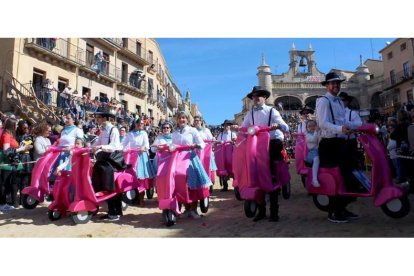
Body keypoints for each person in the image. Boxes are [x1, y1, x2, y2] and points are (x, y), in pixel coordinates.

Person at [235, 86, 289, 222]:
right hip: (257, 145)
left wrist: (278, 125)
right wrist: (237, 129)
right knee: (255, 175)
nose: (256, 98)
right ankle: (261, 211)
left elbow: (285, 126)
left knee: (271, 175)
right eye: (254, 96)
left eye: (258, 95)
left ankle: (274, 211)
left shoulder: (272, 111)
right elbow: (244, 128)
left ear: (264, 97)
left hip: (271, 143)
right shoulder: (250, 113)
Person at [316, 72, 358, 223]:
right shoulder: (323, 101)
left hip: (340, 142)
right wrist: (341, 129)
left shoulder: (339, 102)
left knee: (345, 175)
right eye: (332, 83)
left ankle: (342, 208)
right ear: (327, 86)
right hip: (328, 144)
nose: (335, 86)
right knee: (333, 179)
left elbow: (343, 121)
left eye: (337, 83)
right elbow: (322, 123)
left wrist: (359, 126)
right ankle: (333, 212)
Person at [172, 111, 212, 219]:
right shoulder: (175, 133)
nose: (182, 120)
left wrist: (196, 145)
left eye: (184, 118)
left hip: (190, 158)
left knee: (193, 184)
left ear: (187, 119)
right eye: (180, 118)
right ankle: (186, 208)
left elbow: (202, 143)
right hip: (178, 160)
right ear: (177, 120)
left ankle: (194, 209)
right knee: (181, 183)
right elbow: (172, 145)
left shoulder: (192, 130)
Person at [92, 110, 125, 221]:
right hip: (105, 158)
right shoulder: (103, 131)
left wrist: (101, 147)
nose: (97, 120)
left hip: (112, 160)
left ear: (105, 118)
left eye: (99, 118)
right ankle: (110, 210)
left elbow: (114, 146)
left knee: (109, 181)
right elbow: (97, 143)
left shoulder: (113, 130)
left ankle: (116, 212)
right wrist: (89, 147)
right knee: (96, 170)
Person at [0, 118, 33, 211]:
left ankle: (4, 203)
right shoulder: (6, 135)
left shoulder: (10, 135)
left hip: (11, 162)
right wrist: (20, 149)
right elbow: (6, 151)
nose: (17, 126)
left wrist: (20, 146)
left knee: (9, 183)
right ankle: (2, 204)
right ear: (12, 125)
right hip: (6, 162)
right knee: (4, 183)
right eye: (16, 124)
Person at [122, 118, 156, 206]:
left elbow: (147, 145)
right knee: (133, 178)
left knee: (141, 178)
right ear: (135, 124)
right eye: (139, 123)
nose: (141, 124)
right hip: (132, 157)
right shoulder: (130, 134)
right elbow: (123, 144)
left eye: (142, 123)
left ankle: (141, 199)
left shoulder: (144, 133)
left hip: (141, 157)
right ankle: (134, 198)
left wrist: (143, 148)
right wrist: (121, 149)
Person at [339, 92, 363, 171]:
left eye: (342, 100)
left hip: (350, 141)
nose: (340, 102)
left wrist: (347, 124)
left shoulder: (352, 113)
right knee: (341, 165)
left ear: (346, 102)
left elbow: (359, 124)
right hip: (339, 142)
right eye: (339, 100)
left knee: (352, 163)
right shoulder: (335, 113)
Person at [216, 119, 237, 191]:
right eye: (225, 125)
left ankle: (235, 186)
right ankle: (225, 186)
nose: (226, 126)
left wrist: (233, 141)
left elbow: (236, 142)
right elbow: (217, 142)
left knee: (232, 167)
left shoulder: (233, 134)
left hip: (231, 153)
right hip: (222, 153)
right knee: (223, 167)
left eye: (228, 125)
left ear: (230, 126)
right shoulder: (220, 134)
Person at [305, 120, 320, 187]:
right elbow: (314, 140)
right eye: (309, 126)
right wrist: (316, 131)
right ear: (307, 128)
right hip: (312, 153)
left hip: (319, 151)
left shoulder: (318, 132)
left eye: (313, 126)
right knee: (316, 159)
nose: (312, 127)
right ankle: (314, 179)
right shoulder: (307, 135)